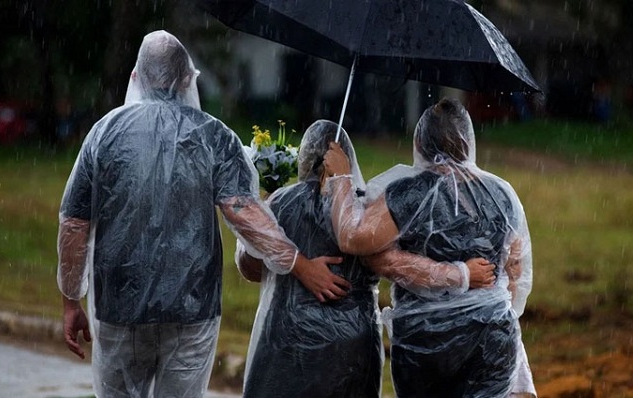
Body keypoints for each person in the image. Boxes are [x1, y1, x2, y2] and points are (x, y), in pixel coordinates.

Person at [56, 30, 349, 398]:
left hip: (120, 306)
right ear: (185, 79)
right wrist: (302, 266)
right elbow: (242, 212)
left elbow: (74, 224)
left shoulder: (104, 134)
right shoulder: (214, 136)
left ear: (137, 76)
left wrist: (71, 300)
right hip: (192, 309)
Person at [235, 120, 498, 398]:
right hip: (352, 349)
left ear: (304, 156)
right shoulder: (366, 211)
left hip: (283, 344)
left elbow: (250, 269)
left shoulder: (280, 203)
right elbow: (389, 262)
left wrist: (269, 224)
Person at [323, 97, 533, 397]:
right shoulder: (502, 193)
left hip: (426, 344)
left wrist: (342, 177)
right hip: (493, 340)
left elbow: (354, 238)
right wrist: (487, 309)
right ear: (469, 141)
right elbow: (515, 271)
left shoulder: (409, 193)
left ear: (419, 142)